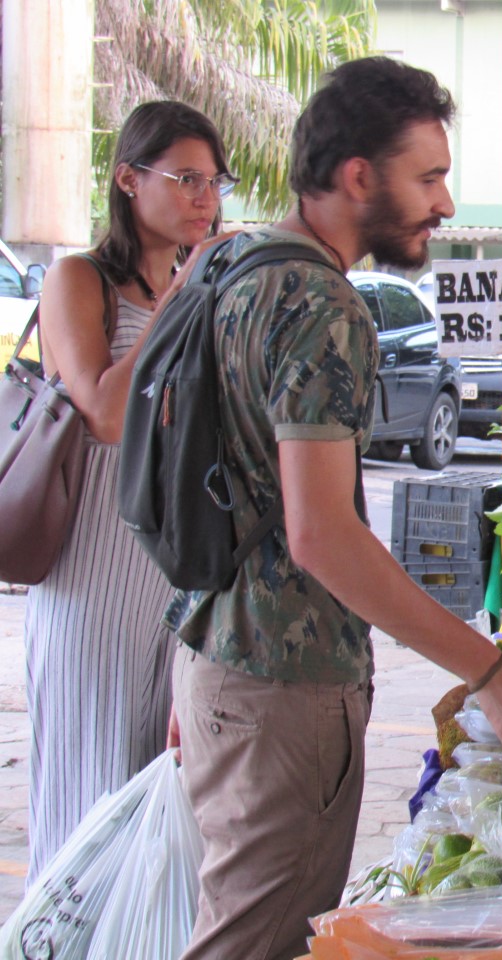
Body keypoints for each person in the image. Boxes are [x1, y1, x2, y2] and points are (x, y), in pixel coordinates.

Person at [165, 58, 502, 960]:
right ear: (358, 176)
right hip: (284, 686)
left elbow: (203, 482)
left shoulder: (229, 261)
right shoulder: (320, 304)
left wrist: (190, 653)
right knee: (258, 942)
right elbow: (323, 538)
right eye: (427, 177)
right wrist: (489, 669)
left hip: (221, 657)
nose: (445, 203)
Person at [22, 101, 232, 885]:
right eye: (183, 178)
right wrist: (180, 296)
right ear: (126, 178)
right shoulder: (79, 280)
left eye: (213, 181)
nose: (203, 197)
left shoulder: (198, 290)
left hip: (173, 572)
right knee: (92, 790)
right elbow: (107, 412)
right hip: (93, 572)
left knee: (165, 793)